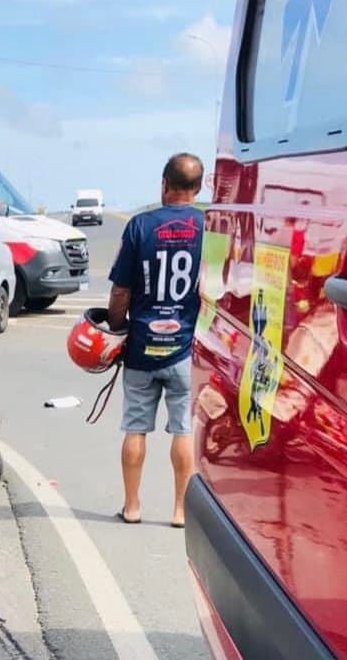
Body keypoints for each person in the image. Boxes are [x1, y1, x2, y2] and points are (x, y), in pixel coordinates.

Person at [107, 153, 205, 528]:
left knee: (135, 428)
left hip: (142, 347)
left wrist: (117, 328)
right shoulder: (208, 228)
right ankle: (180, 511)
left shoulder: (139, 226)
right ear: (198, 188)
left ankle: (132, 507)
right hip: (184, 348)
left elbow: (120, 292)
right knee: (182, 429)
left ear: (164, 184)